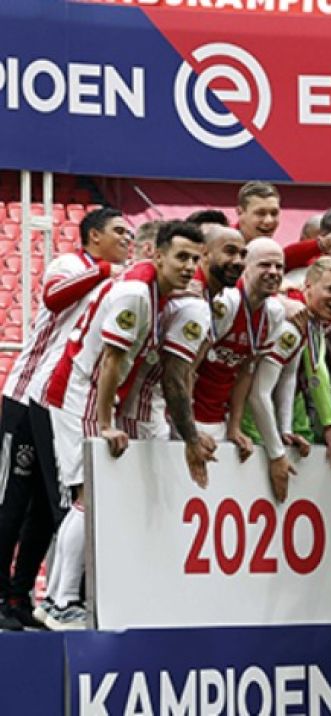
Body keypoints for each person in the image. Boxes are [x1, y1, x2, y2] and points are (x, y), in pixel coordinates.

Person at [40, 221, 216, 630]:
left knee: (88, 497)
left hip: (89, 391)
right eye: (181, 257)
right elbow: (111, 361)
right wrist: (105, 423)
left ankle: (56, 600)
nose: (188, 267)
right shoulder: (136, 293)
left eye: (194, 259)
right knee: (89, 497)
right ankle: (60, 601)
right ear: (158, 255)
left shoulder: (155, 290)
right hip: (80, 391)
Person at [0, 207, 129, 630]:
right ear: (94, 236)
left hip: (56, 403)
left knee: (46, 503)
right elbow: (54, 297)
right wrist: (106, 270)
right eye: (118, 232)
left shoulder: (124, 283)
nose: (126, 239)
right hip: (24, 395)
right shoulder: (70, 264)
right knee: (11, 500)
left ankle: (20, 595)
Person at [245, 257, 331, 500]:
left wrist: (285, 430)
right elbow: (259, 393)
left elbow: (288, 377)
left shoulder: (308, 319)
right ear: (308, 287)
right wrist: (277, 453)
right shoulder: (291, 325)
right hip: (252, 417)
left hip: (270, 413)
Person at [193, 239, 288, 456]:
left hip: (218, 419)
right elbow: (190, 365)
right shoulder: (227, 302)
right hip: (185, 415)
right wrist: (188, 426)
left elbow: (246, 371)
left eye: (279, 267)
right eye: (265, 265)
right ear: (245, 266)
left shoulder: (274, 313)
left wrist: (234, 426)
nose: (274, 272)